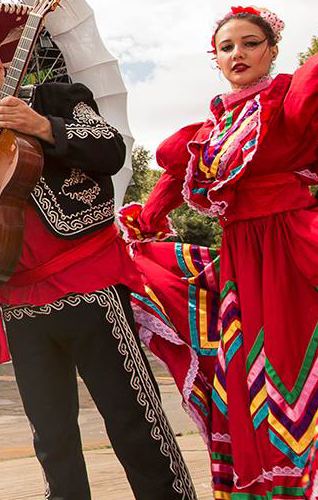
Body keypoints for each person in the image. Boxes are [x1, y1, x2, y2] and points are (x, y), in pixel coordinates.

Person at [0, 4, 196, 499]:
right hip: (19, 301)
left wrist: (43, 126)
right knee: (51, 436)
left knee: (132, 417)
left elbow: (109, 150)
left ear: (3, 66)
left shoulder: (58, 96)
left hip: (90, 286)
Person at [120, 6, 318, 497]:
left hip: (294, 243)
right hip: (242, 261)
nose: (238, 54)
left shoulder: (287, 99)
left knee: (298, 357)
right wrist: (140, 225)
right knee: (251, 371)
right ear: (215, 60)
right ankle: (273, 482)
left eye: (251, 43)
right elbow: (169, 182)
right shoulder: (210, 134)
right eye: (227, 47)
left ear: (272, 51)